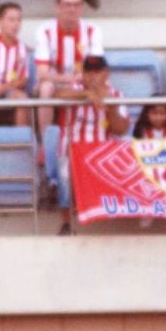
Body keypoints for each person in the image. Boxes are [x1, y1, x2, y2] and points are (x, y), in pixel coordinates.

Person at [53, 54, 127, 232]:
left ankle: (110, 217)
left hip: (102, 150)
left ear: (106, 73)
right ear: (83, 73)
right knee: (63, 168)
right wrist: (86, 94)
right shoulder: (74, 88)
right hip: (72, 148)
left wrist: (111, 107)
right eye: (89, 72)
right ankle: (66, 223)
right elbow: (57, 94)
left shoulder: (116, 94)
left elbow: (121, 129)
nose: (93, 76)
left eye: (98, 72)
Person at [34, 0, 102, 127]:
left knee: (104, 86)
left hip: (84, 81)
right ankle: (45, 144)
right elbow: (42, 73)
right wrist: (70, 79)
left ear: (82, 7)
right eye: (67, 5)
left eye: (76, 5)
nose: (72, 9)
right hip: (56, 83)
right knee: (46, 88)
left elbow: (97, 68)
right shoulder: (45, 30)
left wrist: (83, 79)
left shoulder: (93, 30)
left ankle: (94, 138)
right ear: (57, 7)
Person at [0, 0, 33, 129]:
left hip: (8, 90)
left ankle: (21, 141)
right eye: (11, 20)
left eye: (19, 20)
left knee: (22, 98)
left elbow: (23, 79)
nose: (16, 25)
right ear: (0, 22)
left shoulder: (22, 49)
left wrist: (3, 88)